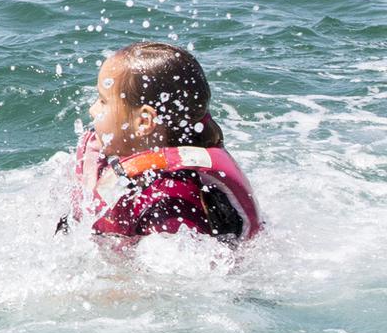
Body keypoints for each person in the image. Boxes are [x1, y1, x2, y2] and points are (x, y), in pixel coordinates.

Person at [63, 41, 262, 243]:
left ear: (144, 121)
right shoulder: (123, 165)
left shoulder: (170, 203)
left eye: (103, 101)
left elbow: (178, 273)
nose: (92, 109)